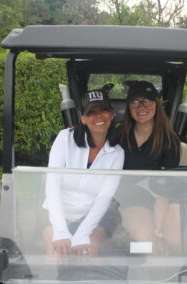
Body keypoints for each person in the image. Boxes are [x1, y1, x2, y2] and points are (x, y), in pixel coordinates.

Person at [43, 88, 124, 257]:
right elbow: (52, 184)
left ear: (112, 115)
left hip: (93, 215)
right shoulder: (65, 138)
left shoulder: (117, 153)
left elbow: (104, 197)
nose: (99, 116)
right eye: (91, 112)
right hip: (59, 213)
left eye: (104, 110)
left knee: (89, 253)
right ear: (83, 119)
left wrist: (83, 233)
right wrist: (60, 230)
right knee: (57, 256)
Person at [117, 80, 181, 255]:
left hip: (162, 197)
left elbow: (164, 188)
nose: (141, 107)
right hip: (131, 198)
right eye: (135, 102)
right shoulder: (119, 136)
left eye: (147, 101)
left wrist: (159, 231)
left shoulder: (169, 140)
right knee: (150, 243)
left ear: (156, 104)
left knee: (175, 241)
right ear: (129, 106)